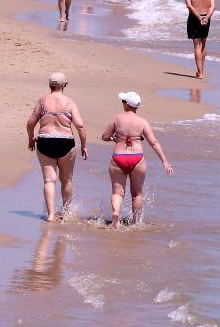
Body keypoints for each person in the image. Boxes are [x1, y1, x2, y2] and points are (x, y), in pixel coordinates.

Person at [102, 92, 173, 227]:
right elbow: (154, 142)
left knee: (117, 192)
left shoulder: (117, 118)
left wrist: (113, 138)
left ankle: (116, 212)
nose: (122, 102)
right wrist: (165, 161)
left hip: (119, 157)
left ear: (127, 104)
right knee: (137, 194)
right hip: (137, 158)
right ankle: (135, 223)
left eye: (123, 100)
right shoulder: (142, 122)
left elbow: (105, 136)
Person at [26, 73, 88, 222]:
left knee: (49, 180)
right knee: (66, 180)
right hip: (65, 141)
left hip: (45, 140)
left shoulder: (42, 101)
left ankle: (51, 215)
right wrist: (84, 145)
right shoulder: (69, 102)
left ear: (49, 85)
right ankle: (66, 213)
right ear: (64, 85)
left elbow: (30, 124)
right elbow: (80, 125)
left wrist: (30, 139)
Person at [183, 0, 215, 79]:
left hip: (194, 17)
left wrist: (198, 17)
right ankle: (202, 71)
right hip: (206, 18)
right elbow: (213, 6)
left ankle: (200, 73)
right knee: (203, 43)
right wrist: (206, 18)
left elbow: (189, 5)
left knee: (197, 45)